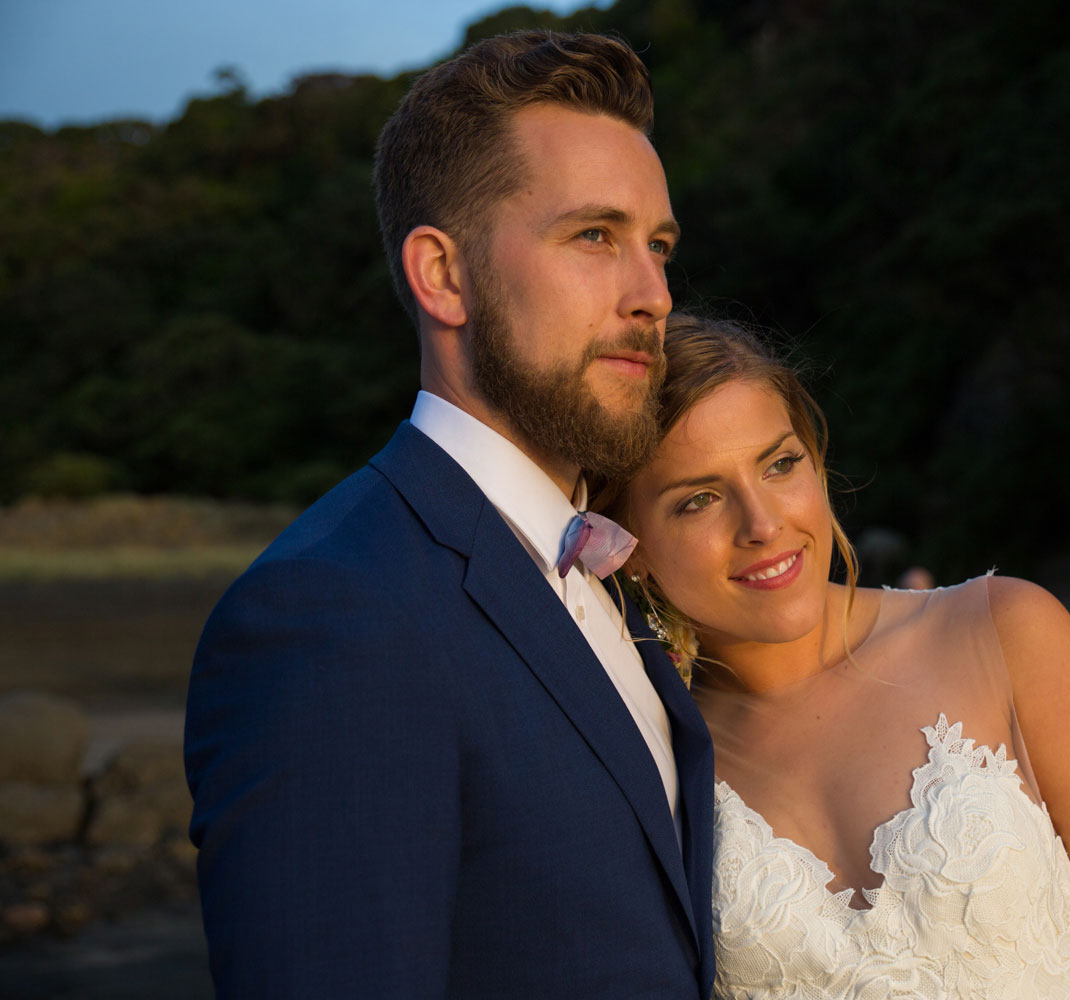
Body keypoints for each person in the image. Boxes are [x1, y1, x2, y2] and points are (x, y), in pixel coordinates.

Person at [184, 32, 715, 998]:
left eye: (659, 245)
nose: (654, 295)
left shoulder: (615, 570)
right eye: (595, 236)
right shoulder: (329, 618)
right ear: (443, 275)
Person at [599, 314, 1070, 999]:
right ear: (633, 545)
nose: (763, 524)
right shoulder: (647, 757)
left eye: (779, 464)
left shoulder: (1006, 632)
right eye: (699, 500)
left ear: (818, 463)